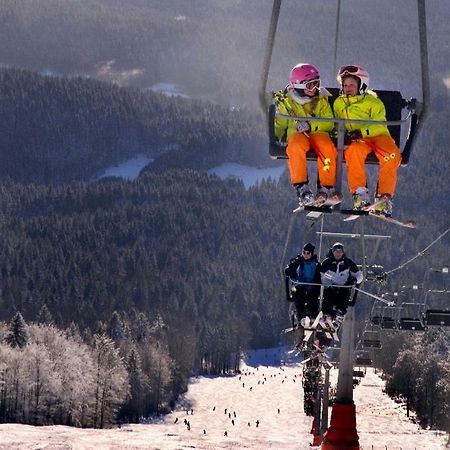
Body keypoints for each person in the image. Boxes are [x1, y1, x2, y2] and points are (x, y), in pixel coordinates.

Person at [333, 65, 402, 217]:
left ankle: (384, 197)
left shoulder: (373, 102)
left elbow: (379, 123)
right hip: (358, 140)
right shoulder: (339, 103)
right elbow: (336, 122)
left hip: (378, 136)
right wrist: (340, 133)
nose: (348, 88)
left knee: (391, 155)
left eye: (352, 84)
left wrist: (362, 132)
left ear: (361, 85)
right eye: (345, 85)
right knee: (353, 152)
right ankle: (360, 194)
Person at [274, 63, 338, 205]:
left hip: (318, 134)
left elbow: (329, 122)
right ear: (299, 86)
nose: (315, 88)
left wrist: (311, 126)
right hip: (298, 135)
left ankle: (325, 187)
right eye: (310, 85)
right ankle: (302, 188)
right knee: (295, 147)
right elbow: (280, 124)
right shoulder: (288, 103)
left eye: (317, 84)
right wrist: (274, 136)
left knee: (327, 147)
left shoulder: (321, 101)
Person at [320, 242, 363, 325]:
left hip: (344, 288)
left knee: (343, 299)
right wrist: (328, 284)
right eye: (336, 251)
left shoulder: (348, 263)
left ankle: (339, 315)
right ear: (333, 252)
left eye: (340, 252)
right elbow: (321, 276)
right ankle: (327, 315)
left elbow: (359, 275)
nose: (338, 254)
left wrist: (354, 280)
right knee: (328, 298)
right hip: (331, 287)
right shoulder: (327, 263)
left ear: (343, 252)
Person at [284, 242, 321, 326]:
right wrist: (296, 262)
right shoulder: (298, 261)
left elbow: (320, 277)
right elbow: (287, 271)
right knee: (299, 298)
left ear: (311, 254)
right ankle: (302, 318)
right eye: (304, 252)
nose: (305, 255)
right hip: (300, 287)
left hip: (312, 288)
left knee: (313, 300)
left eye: (308, 253)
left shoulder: (316, 264)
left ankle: (313, 317)